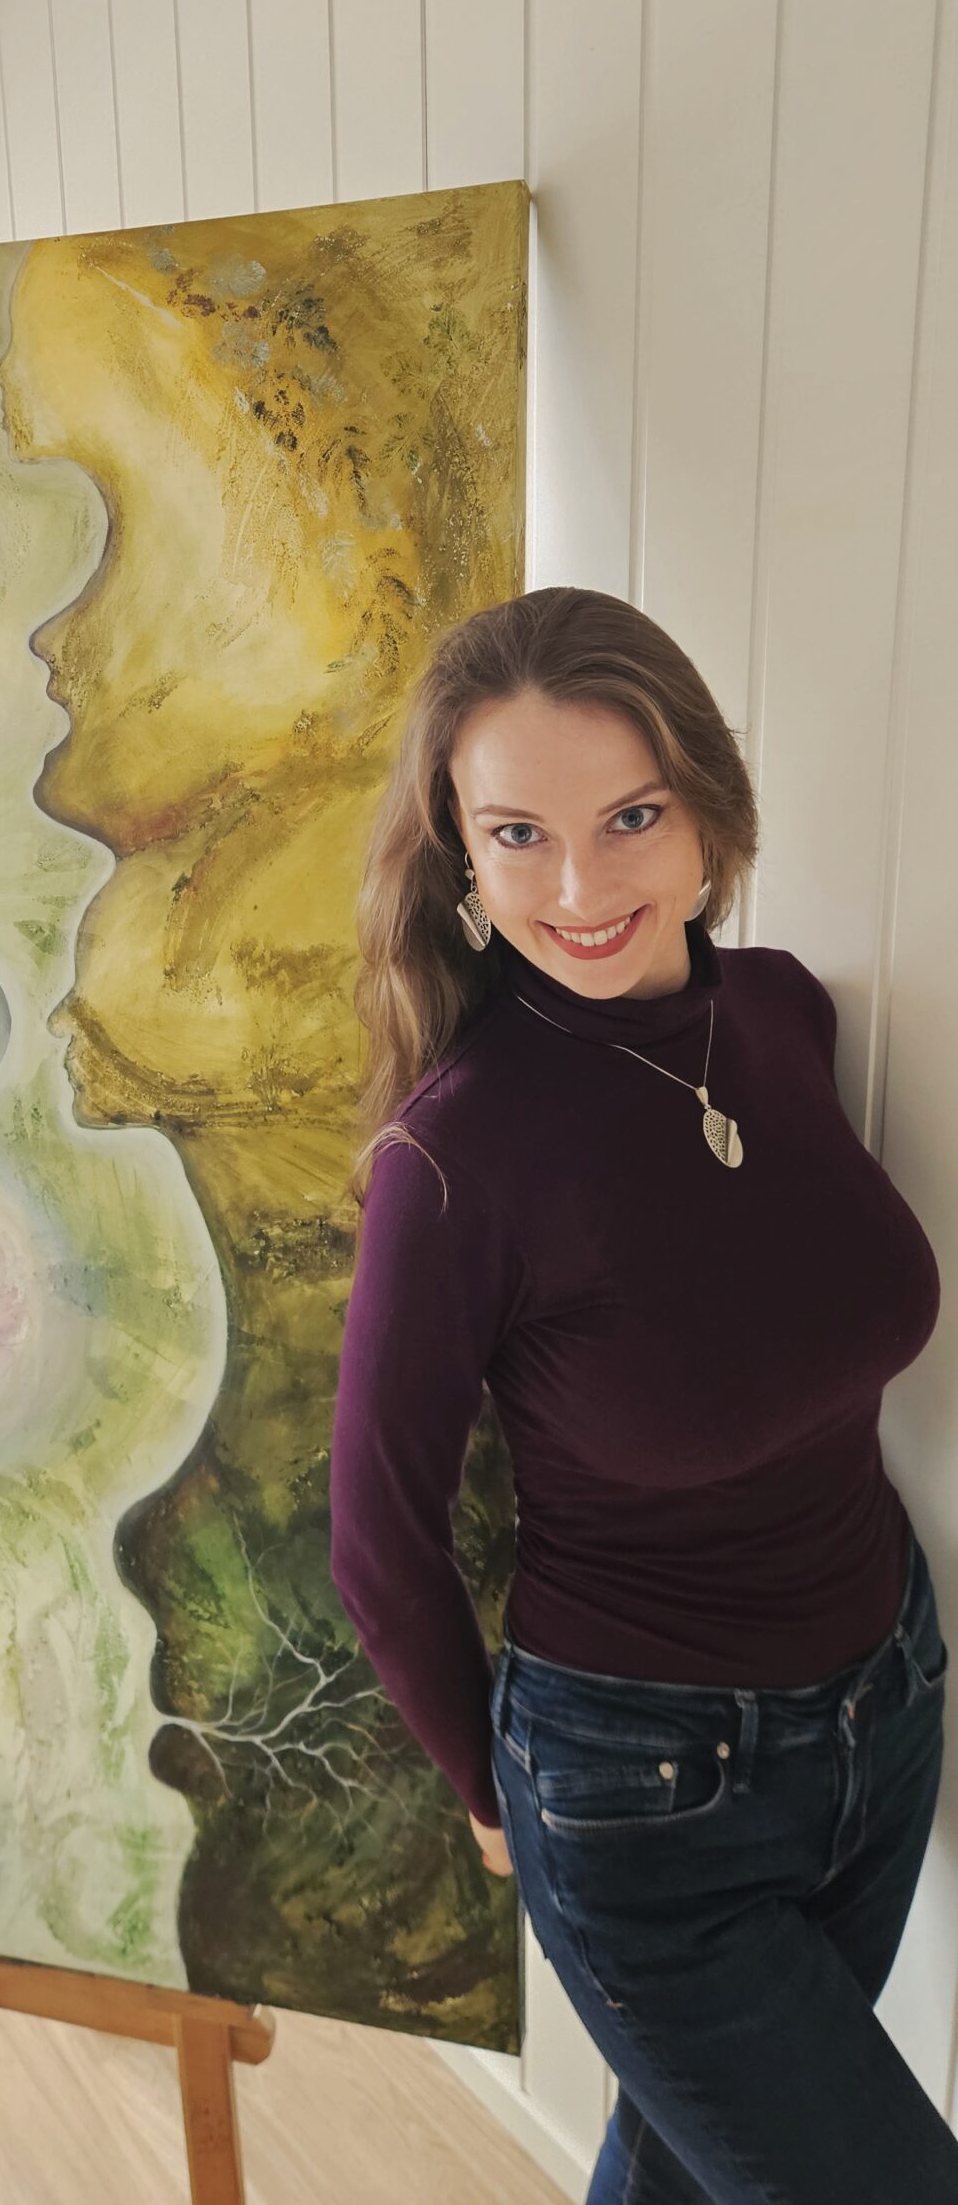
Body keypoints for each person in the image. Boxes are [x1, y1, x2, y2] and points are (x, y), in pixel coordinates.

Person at [328, 586, 955, 2203]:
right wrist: (488, 1793)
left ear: (706, 813)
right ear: (460, 861)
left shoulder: (782, 1014)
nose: (580, 889)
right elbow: (376, 1534)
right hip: (643, 1796)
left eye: (629, 817)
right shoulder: (454, 1158)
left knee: (685, 2174)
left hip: (885, 1704)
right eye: (517, 836)